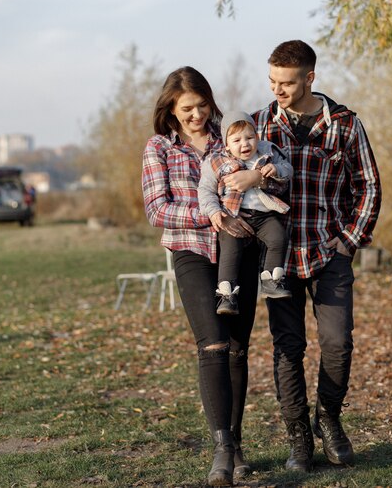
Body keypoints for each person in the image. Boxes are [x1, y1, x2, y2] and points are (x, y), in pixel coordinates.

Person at [224, 40, 381, 472]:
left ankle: (328, 419)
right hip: (276, 258)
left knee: (337, 342)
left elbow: (367, 185)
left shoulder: (344, 124)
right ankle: (298, 436)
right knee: (287, 348)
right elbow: (222, 176)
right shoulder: (254, 126)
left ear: (309, 78)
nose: (277, 89)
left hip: (329, 252)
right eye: (272, 81)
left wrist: (350, 239)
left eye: (287, 82)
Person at [142, 67, 260, 486]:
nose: (196, 115)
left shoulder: (230, 139)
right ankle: (222, 449)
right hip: (190, 252)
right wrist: (210, 214)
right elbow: (157, 209)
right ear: (171, 110)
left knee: (236, 348)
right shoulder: (159, 148)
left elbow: (260, 184)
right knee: (211, 343)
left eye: (202, 105)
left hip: (238, 252)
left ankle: (238, 443)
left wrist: (255, 179)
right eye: (187, 109)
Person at [198, 110, 293, 316]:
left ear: (257, 137)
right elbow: (205, 190)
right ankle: (226, 296)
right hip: (232, 215)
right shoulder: (217, 161)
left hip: (265, 214)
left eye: (250, 137)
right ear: (227, 145)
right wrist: (214, 212)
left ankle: (271, 279)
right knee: (230, 252)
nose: (245, 144)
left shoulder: (268, 153)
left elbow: (288, 169)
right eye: (237, 140)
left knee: (279, 237)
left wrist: (276, 170)